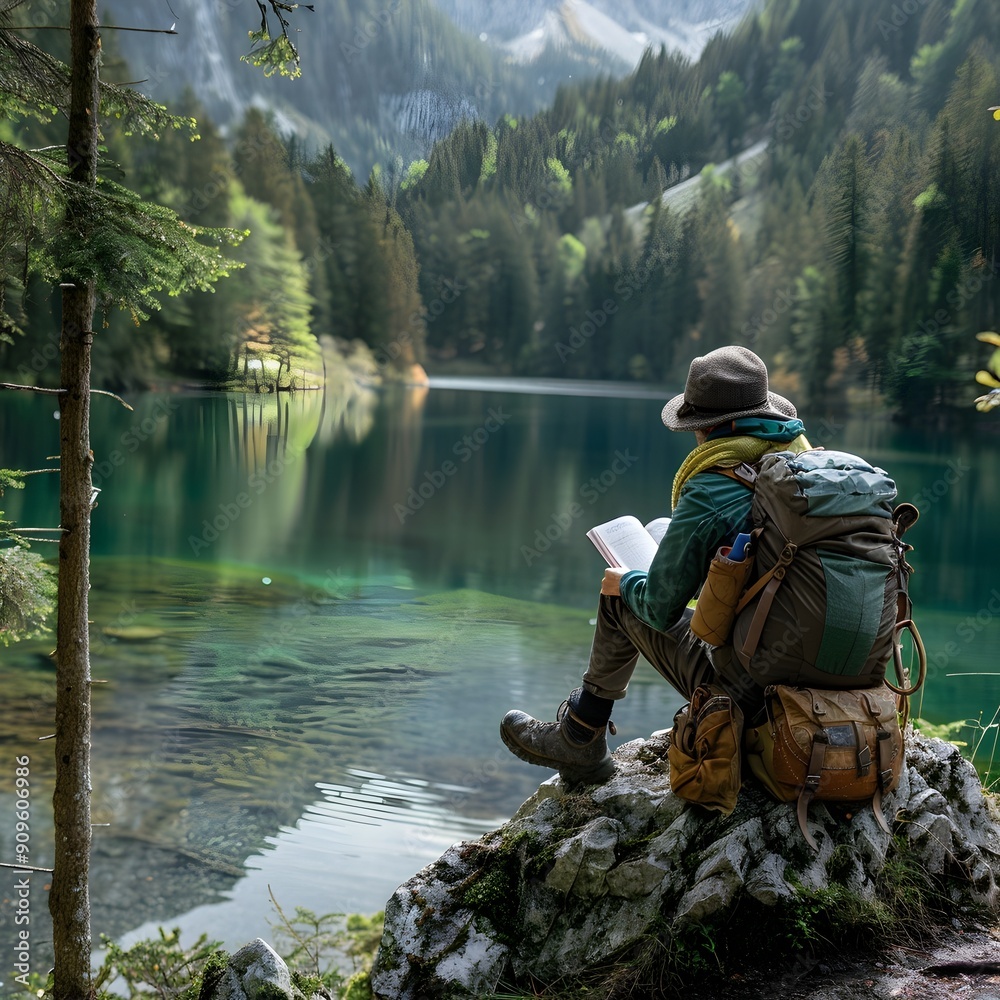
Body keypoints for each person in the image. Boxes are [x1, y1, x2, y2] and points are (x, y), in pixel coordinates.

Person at [500, 345, 812, 783]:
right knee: (666, 530)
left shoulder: (714, 486)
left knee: (621, 592)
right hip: (834, 690)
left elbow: (660, 608)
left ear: (704, 428)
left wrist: (627, 582)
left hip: (758, 699)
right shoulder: (807, 466)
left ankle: (580, 736)